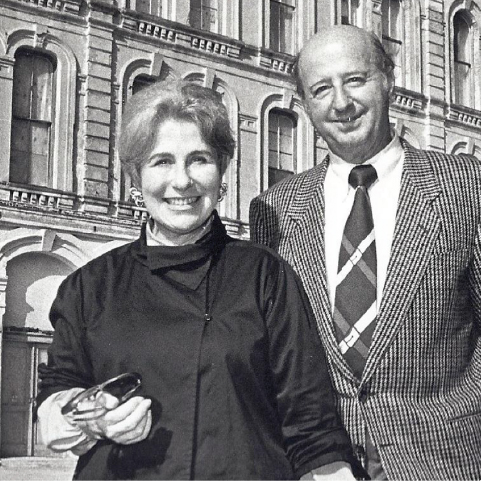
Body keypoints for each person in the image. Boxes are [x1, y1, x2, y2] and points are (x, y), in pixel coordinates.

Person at [35, 79, 365, 480]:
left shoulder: (265, 275)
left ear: (222, 170)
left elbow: (310, 423)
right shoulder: (90, 286)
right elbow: (57, 398)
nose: (182, 181)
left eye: (199, 159)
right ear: (135, 179)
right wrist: (91, 419)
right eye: (161, 161)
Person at [250, 25, 481, 480]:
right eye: (321, 89)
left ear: (389, 80)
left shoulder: (466, 186)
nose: (341, 102)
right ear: (304, 105)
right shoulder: (274, 209)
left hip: (445, 459)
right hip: (316, 466)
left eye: (355, 80)